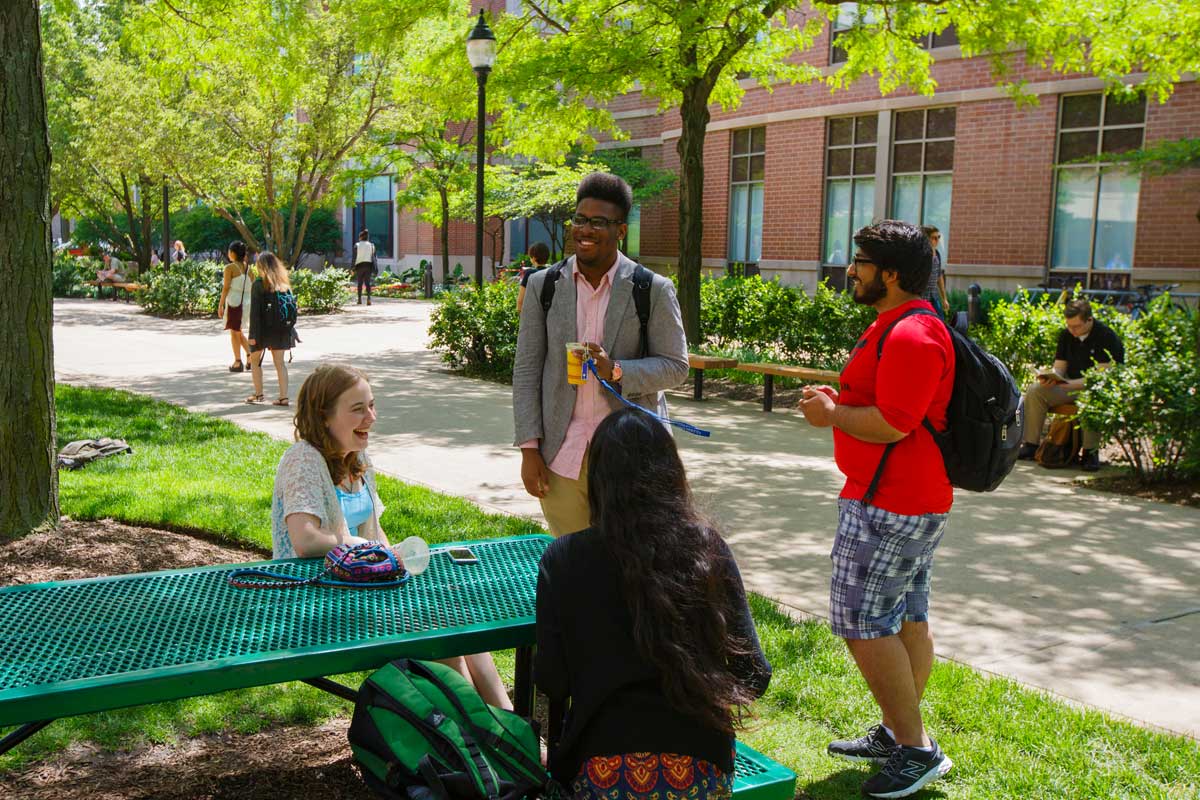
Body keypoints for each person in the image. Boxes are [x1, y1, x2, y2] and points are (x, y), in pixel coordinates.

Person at [535, 407, 771, 798]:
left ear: (597, 480)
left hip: (601, 769)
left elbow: (552, 680)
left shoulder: (564, 557)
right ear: (672, 473)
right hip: (702, 767)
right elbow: (754, 675)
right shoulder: (707, 547)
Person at [799, 220, 956, 799]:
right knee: (906, 618)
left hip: (892, 505)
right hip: (893, 498)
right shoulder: (894, 325)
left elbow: (894, 423)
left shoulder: (913, 334)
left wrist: (831, 416)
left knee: (862, 623)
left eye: (862, 261)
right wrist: (840, 403)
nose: (851, 269)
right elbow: (888, 405)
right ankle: (898, 734)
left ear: (890, 274)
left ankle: (916, 750)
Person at [272, 363, 512, 709]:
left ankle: (513, 733)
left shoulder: (357, 456)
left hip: (359, 587)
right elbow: (305, 541)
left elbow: (373, 531)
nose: (371, 416)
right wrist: (368, 549)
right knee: (442, 641)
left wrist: (390, 552)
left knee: (464, 625)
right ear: (324, 416)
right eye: (358, 409)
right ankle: (490, 741)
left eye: (371, 405)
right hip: (315, 598)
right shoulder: (303, 459)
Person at [512, 172, 689, 537]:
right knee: (574, 567)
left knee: (631, 570)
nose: (585, 230)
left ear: (621, 230)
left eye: (598, 222)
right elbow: (527, 370)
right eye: (579, 219)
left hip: (632, 459)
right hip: (563, 456)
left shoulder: (651, 289)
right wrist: (529, 449)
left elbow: (676, 366)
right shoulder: (543, 286)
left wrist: (618, 370)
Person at [1017, 298, 1123, 471]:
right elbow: (1060, 367)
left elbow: (1102, 376)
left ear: (1089, 320)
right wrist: (1051, 377)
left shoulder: (1106, 337)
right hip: (1069, 386)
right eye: (1069, 326)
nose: (1072, 330)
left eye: (1076, 326)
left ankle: (1090, 452)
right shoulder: (1066, 335)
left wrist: (1072, 384)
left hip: (1094, 389)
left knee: (1092, 397)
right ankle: (1031, 445)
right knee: (1035, 390)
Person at [247, 252, 298, 406]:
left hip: (262, 330)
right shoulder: (284, 285)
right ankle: (283, 397)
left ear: (261, 266)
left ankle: (258, 394)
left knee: (255, 361)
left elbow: (254, 313)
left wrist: (252, 335)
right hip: (282, 329)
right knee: (280, 363)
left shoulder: (258, 284)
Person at [218, 240, 254, 373]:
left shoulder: (230, 268)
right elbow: (253, 285)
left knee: (234, 333)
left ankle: (238, 362)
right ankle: (250, 357)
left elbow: (226, 287)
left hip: (234, 302)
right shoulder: (249, 269)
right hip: (246, 303)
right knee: (238, 331)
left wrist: (221, 304)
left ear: (232, 253)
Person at [921, 226, 950, 318]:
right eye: (934, 237)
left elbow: (939, 276)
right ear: (926, 238)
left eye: (938, 237)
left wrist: (944, 299)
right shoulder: (922, 254)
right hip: (922, 297)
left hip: (934, 296)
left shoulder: (937, 254)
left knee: (940, 320)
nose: (937, 240)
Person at [516, 241, 551, 313]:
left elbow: (520, 300)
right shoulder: (551, 273)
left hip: (532, 315)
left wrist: (519, 311)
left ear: (534, 258)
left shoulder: (529, 274)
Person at [352, 229, 377, 306]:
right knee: (367, 283)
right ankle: (369, 299)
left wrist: (352, 268)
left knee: (359, 283)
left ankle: (359, 299)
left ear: (360, 237)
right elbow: (374, 257)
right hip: (368, 265)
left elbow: (354, 257)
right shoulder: (372, 245)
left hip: (359, 266)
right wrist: (375, 268)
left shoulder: (357, 245)